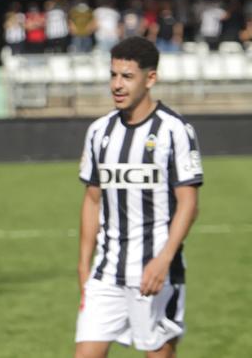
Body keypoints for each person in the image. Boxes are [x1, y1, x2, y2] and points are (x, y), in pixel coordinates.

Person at [74, 37, 201, 358]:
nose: (117, 85)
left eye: (127, 77)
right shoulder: (99, 132)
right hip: (106, 273)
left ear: (150, 78)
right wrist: (82, 264)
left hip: (155, 272)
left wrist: (164, 259)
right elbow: (92, 200)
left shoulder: (175, 131)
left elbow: (188, 202)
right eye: (113, 75)